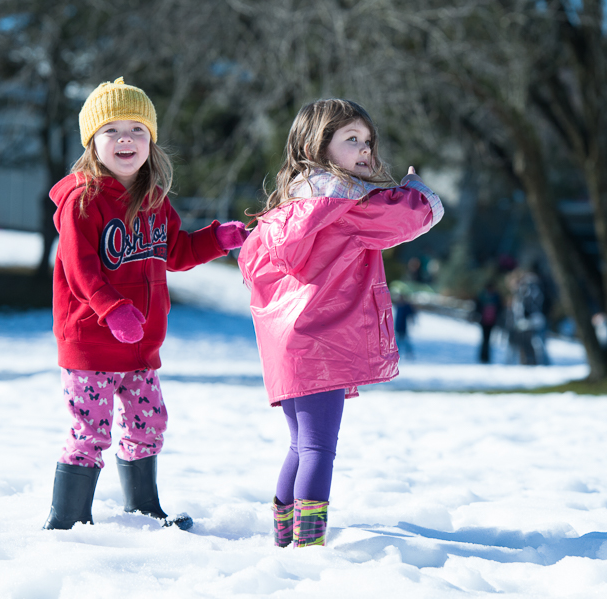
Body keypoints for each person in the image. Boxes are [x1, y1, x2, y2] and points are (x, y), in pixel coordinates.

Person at [43, 77, 248, 531]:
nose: (124, 139)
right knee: (90, 433)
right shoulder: (84, 200)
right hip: (93, 344)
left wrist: (217, 239)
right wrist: (111, 309)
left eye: (136, 129)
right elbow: (79, 269)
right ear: (92, 142)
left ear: (150, 142)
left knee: (148, 423)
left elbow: (175, 252)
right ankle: (67, 521)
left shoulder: (153, 199)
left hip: (140, 347)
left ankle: (144, 510)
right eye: (111, 130)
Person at [238, 99, 443, 547]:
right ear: (317, 145)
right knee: (318, 448)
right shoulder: (346, 208)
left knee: (299, 444)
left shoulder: (284, 210)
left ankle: (283, 537)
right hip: (323, 345)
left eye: (368, 141)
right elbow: (404, 218)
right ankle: (308, 545)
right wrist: (418, 190)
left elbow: (251, 264)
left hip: (288, 348)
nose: (365, 150)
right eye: (351, 140)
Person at [474, 281, 502, 363]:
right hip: (486, 321)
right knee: (486, 339)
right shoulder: (494, 296)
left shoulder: (484, 295)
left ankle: (485, 357)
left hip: (489, 321)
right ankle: (484, 357)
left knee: (486, 339)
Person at [394, 293, 417, 359]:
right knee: (398, 341)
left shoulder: (406, 306)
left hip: (403, 327)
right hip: (398, 326)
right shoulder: (398, 306)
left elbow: (411, 313)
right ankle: (397, 353)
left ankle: (409, 353)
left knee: (405, 341)